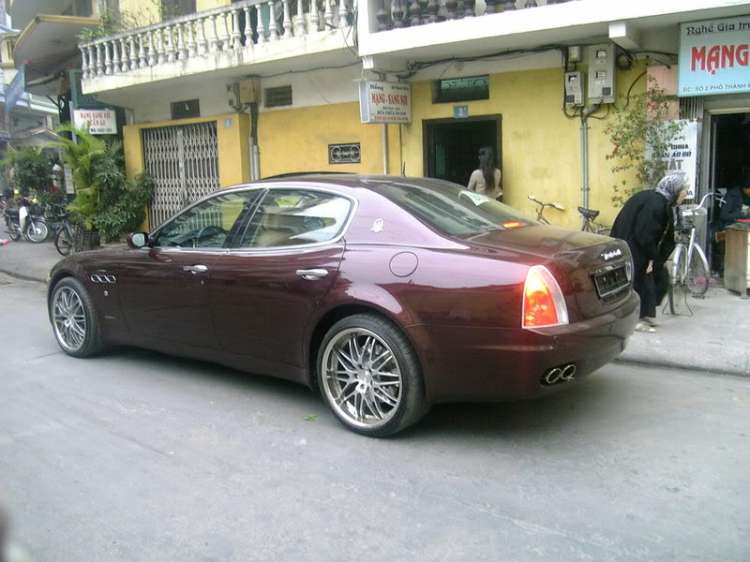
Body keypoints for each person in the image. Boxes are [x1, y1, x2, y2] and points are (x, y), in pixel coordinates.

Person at [610, 173, 689, 333]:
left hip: (635, 244)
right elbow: (645, 235)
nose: (685, 194)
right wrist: (651, 257)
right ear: (675, 190)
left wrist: (657, 258)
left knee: (660, 276)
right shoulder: (657, 204)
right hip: (633, 246)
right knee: (641, 282)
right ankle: (636, 320)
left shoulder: (659, 200)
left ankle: (645, 314)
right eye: (684, 190)